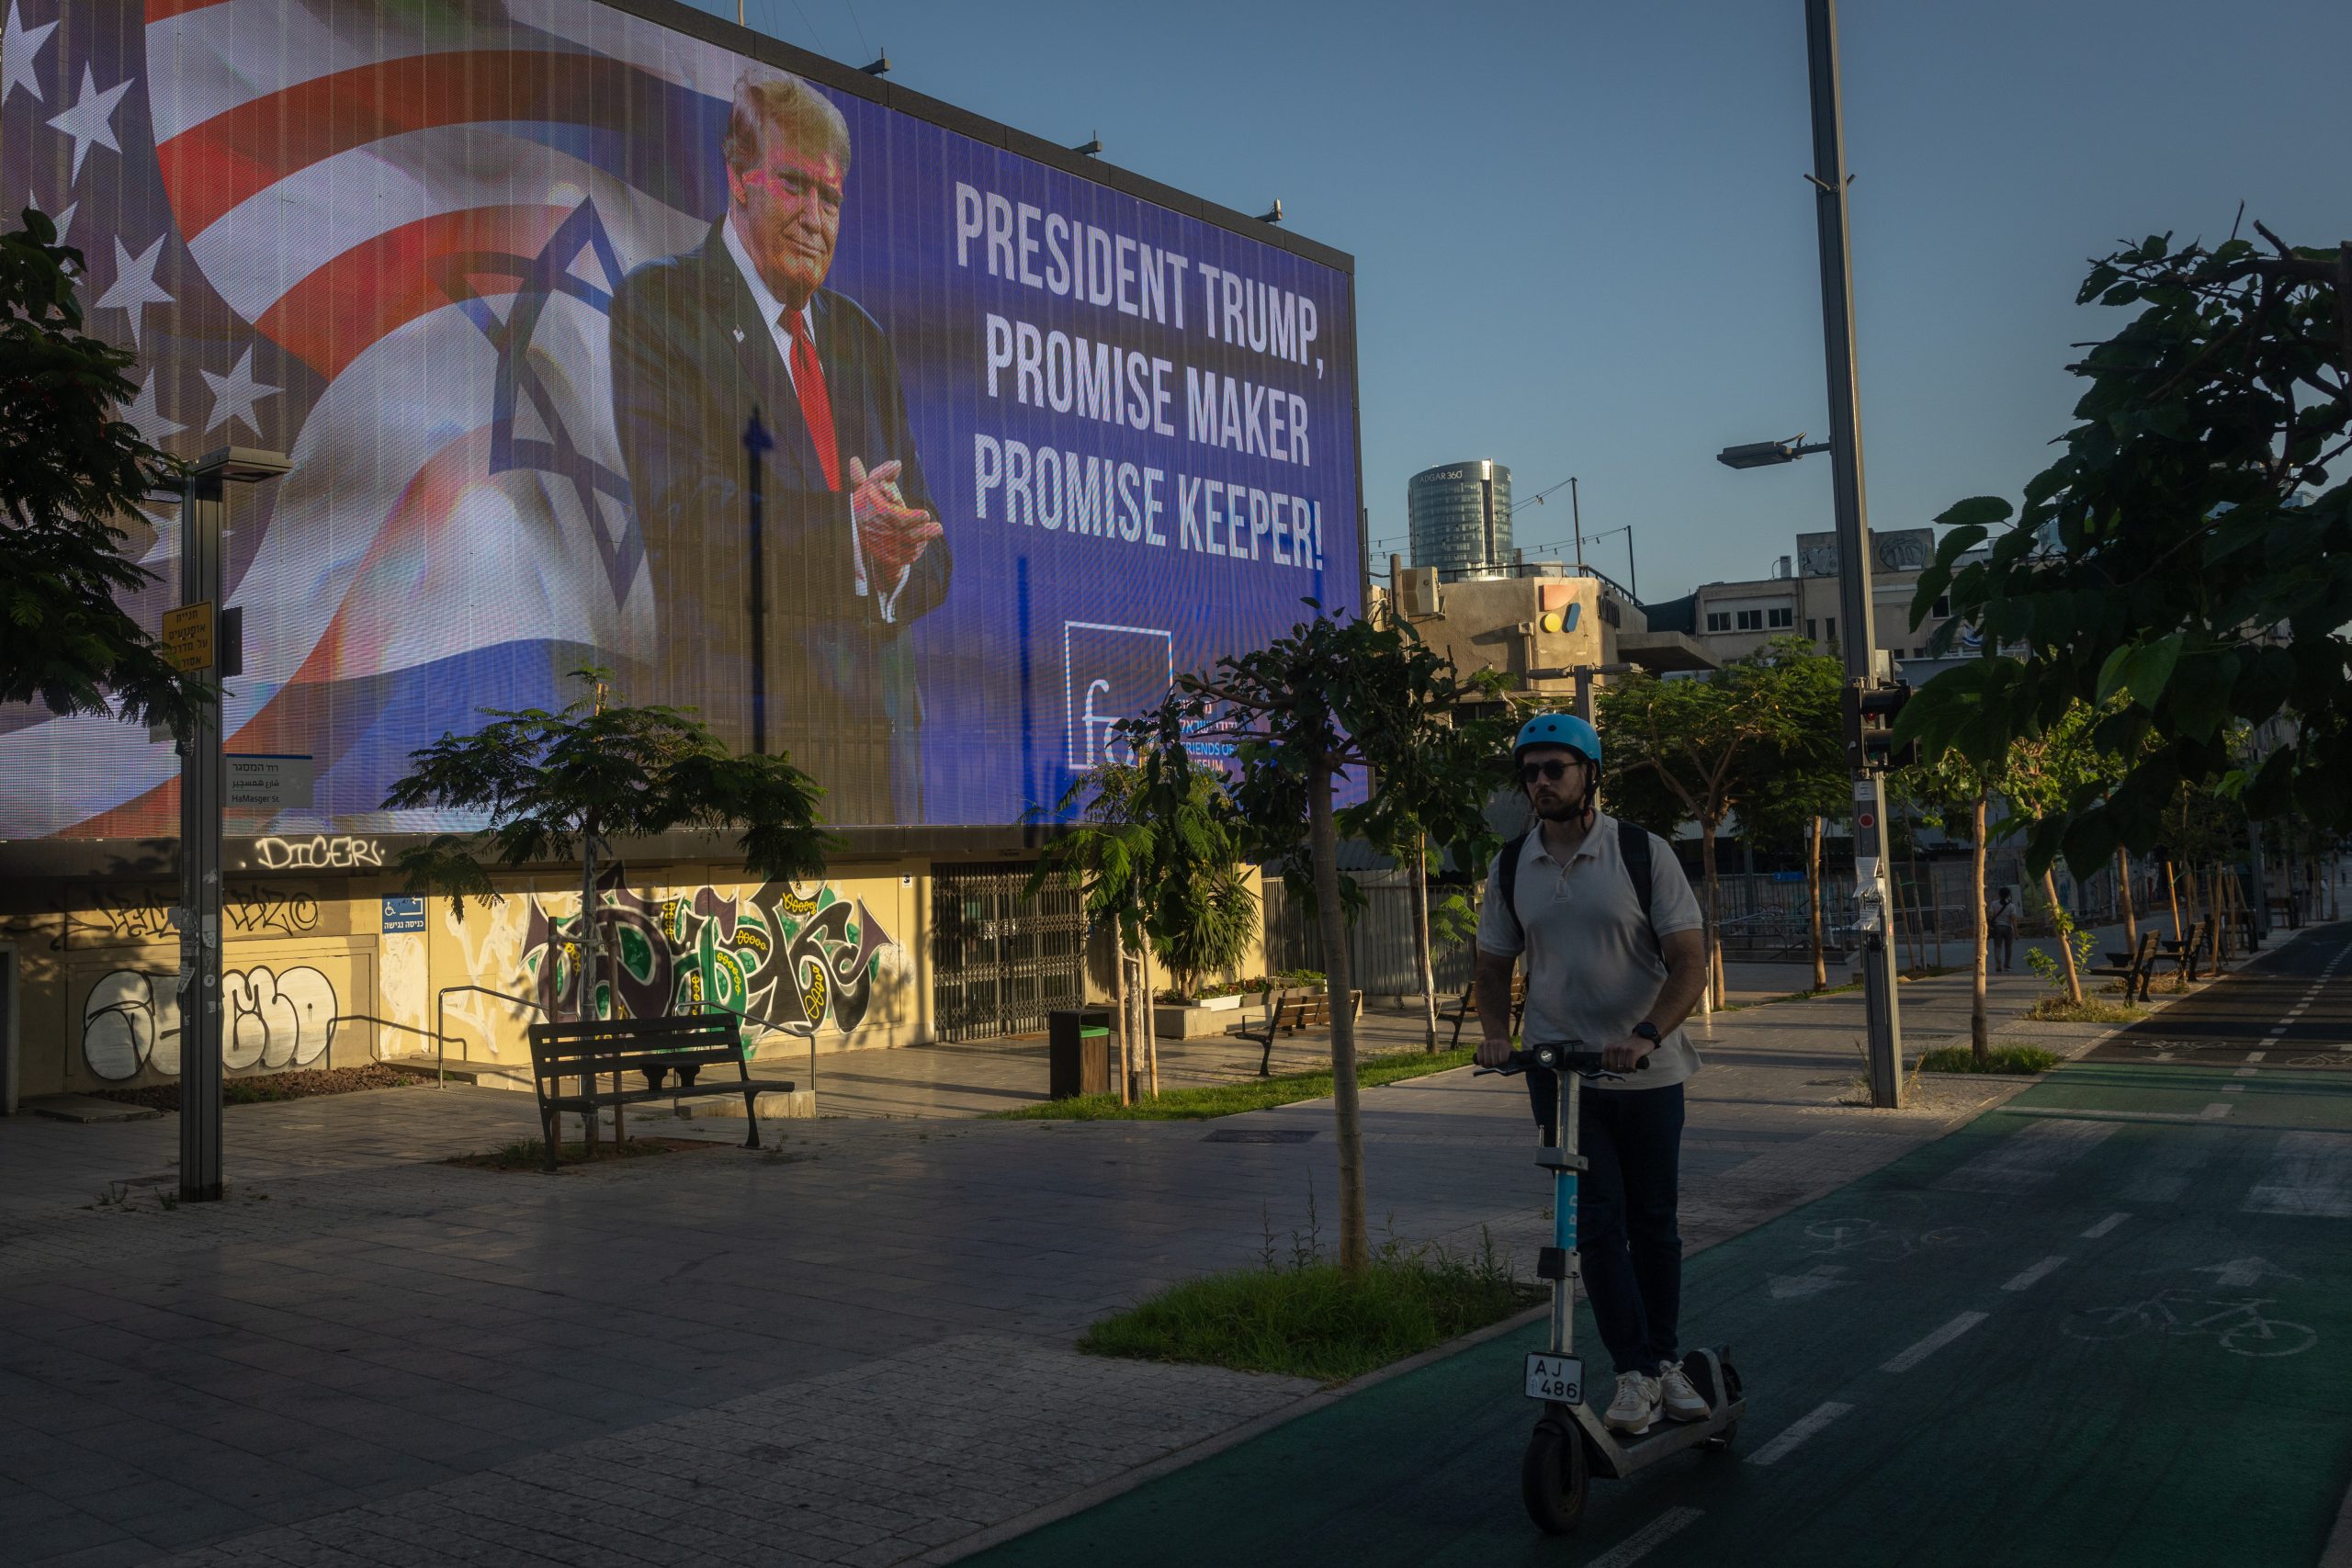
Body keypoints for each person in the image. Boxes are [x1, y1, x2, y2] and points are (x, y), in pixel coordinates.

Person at [609, 69, 950, 826]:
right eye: (794, 186)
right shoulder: (661, 306)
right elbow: (685, 517)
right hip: (747, 767)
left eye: (830, 199)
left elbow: (933, 550)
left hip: (879, 775)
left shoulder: (862, 340)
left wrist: (893, 559)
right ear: (737, 176)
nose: (814, 218)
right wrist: (847, 536)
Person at [1476, 714, 1712, 1437]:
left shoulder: (1643, 853)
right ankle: (1635, 1373)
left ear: (1590, 776)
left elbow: (1689, 961)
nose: (1540, 782)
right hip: (1560, 1073)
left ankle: (1668, 1360)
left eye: (1555, 768)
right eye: (1530, 771)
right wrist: (1493, 1034)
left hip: (1646, 1074)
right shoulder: (1513, 863)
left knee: (1654, 1223)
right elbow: (1493, 961)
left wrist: (1645, 1034)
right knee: (1599, 1227)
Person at [1988, 886, 2018, 973]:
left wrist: (1989, 927)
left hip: (1997, 928)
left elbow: (1990, 916)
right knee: (2008, 947)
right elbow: (2013, 919)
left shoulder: (1994, 904)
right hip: (2008, 928)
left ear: (1999, 894)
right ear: (2008, 895)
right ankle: (2007, 965)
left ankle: (1998, 963)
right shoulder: (2011, 905)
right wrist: (2016, 932)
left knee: (1998, 947)